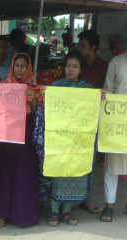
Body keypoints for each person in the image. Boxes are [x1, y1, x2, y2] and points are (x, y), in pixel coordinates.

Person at [40, 51, 94, 227]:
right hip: (60, 139)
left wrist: (100, 99)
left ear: (80, 69)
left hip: (78, 141)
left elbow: (94, 110)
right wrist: (44, 95)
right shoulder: (56, 85)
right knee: (59, 172)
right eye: (68, 66)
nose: (70, 69)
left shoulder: (88, 89)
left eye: (75, 66)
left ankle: (67, 212)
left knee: (73, 173)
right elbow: (47, 109)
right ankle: (54, 212)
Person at [0, 53, 40, 228]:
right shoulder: (3, 87)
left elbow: (40, 116)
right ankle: (2, 213)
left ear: (28, 68)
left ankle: (23, 215)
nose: (19, 69)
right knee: (5, 171)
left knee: (24, 172)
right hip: (7, 136)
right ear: (12, 67)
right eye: (17, 66)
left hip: (26, 136)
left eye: (23, 66)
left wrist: (34, 101)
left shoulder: (34, 88)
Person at [77, 29, 108, 214]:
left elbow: (110, 90)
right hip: (76, 118)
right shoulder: (75, 64)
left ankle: (86, 197)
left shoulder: (105, 66)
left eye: (83, 45)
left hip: (95, 118)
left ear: (93, 47)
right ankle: (69, 197)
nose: (79, 48)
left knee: (91, 157)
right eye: (79, 45)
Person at [100, 52, 127, 222]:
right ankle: (109, 206)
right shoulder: (116, 62)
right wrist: (105, 96)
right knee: (112, 165)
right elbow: (108, 89)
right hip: (118, 121)